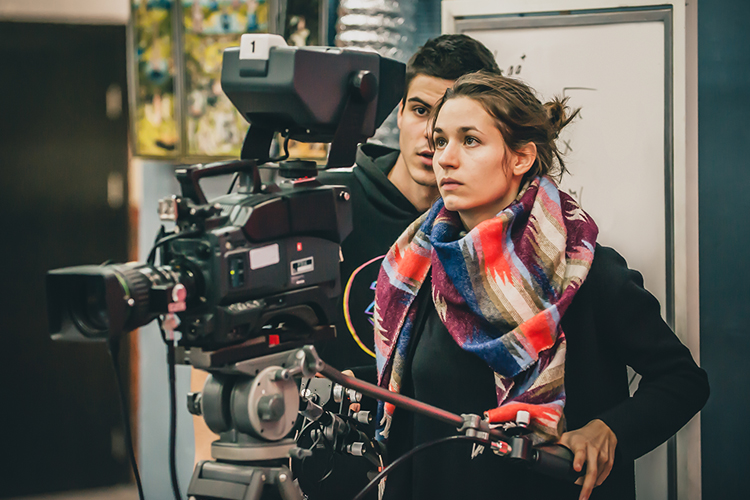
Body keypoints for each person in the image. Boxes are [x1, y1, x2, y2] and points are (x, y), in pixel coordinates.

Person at [372, 72, 709, 500]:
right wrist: (364, 384)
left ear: (520, 158)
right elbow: (433, 390)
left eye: (470, 141)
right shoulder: (419, 268)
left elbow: (683, 381)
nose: (445, 158)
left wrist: (609, 431)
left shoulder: (585, 273)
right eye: (440, 141)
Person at [316, 34, 501, 374]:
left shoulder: (495, 225)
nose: (432, 133)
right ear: (399, 113)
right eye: (420, 110)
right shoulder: (327, 201)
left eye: (460, 126)